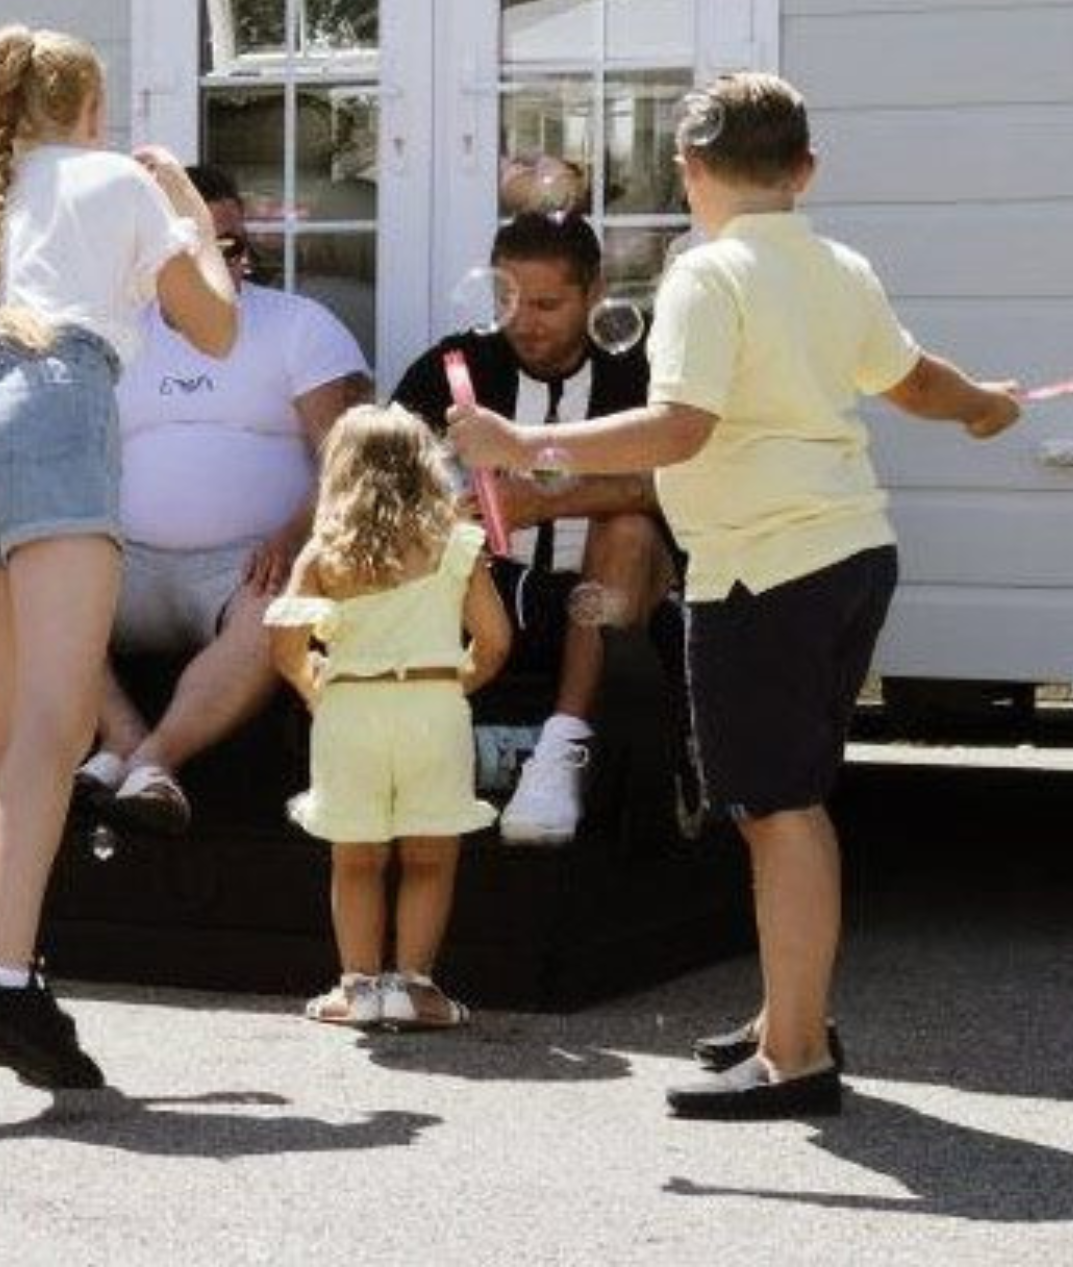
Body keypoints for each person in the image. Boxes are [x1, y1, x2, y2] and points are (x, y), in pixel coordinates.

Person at [448, 71, 1021, 1120]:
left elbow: (677, 429)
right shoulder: (836, 265)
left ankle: (795, 1055)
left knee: (775, 810)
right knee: (788, 798)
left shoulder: (705, 278)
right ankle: (783, 1018)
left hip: (764, 571)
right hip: (848, 554)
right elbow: (913, 379)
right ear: (803, 169)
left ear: (686, 169)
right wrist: (984, 407)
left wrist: (519, 442)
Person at [0, 25, 237, 1090]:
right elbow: (214, 331)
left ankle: (10, 967)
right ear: (90, 111)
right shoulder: (115, 184)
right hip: (49, 405)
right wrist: (184, 209)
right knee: (56, 720)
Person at [89, 165, 368, 835]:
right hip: (125, 565)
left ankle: (154, 761)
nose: (221, 263)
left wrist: (290, 536)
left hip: (249, 566)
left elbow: (344, 459)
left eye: (233, 245)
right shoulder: (111, 334)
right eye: (198, 248)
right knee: (21, 586)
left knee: (282, 610)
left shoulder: (300, 326)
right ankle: (122, 735)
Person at [392, 209, 678, 844]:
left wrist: (544, 502)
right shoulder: (457, 366)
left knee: (628, 528)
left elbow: (697, 484)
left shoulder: (648, 364)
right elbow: (375, 482)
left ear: (595, 292)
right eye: (508, 299)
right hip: (493, 597)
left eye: (547, 303)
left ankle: (561, 754)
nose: (524, 321)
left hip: (626, 594)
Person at [267, 406, 513, 1032]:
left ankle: (357, 987)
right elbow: (494, 641)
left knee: (355, 859)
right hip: (433, 710)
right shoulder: (458, 545)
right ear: (428, 468)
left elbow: (285, 644)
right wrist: (453, 680)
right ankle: (415, 988)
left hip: (350, 710)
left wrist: (311, 684)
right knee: (431, 857)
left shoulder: (324, 553)